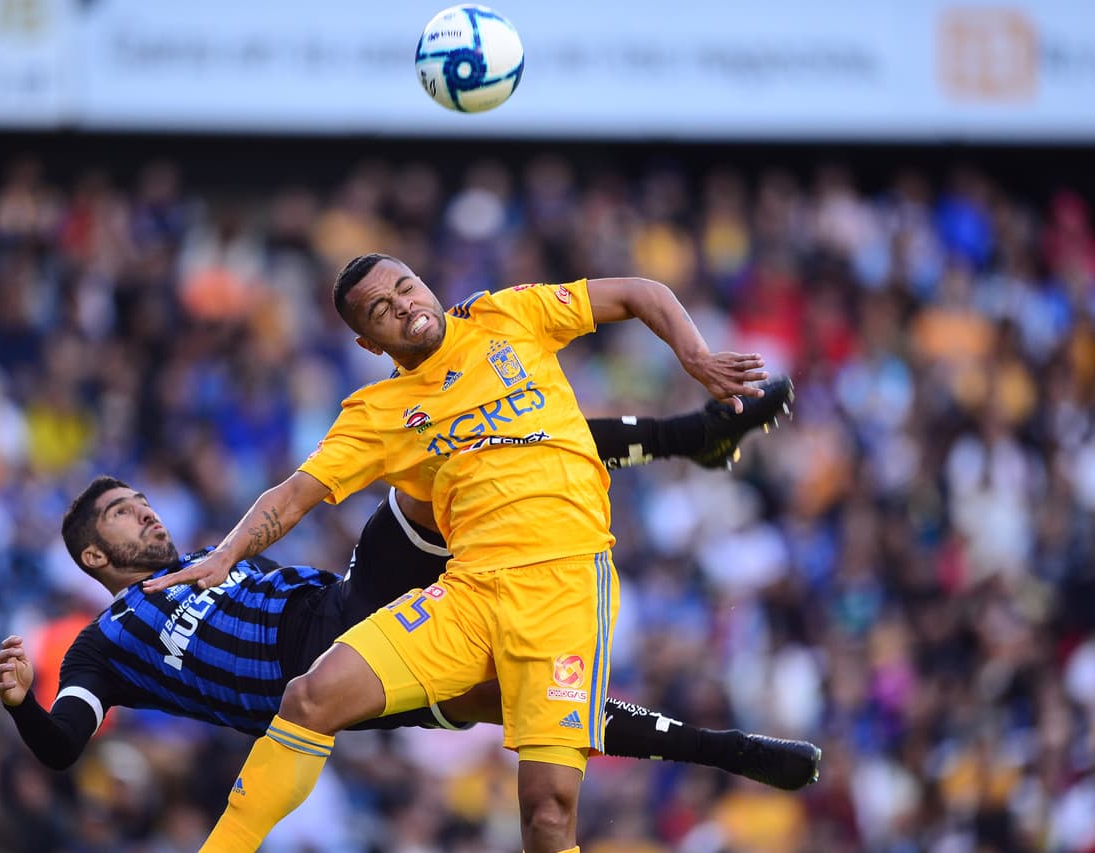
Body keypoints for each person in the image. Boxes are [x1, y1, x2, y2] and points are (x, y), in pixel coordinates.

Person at [146, 256, 773, 852]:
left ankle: (693, 440)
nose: (404, 307)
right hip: (469, 591)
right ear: (368, 344)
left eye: (406, 288)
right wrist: (226, 555)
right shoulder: (377, 415)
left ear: (426, 283)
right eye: (380, 310)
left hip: (564, 588)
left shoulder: (506, 315)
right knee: (312, 696)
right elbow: (294, 494)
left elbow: (641, 292)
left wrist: (695, 356)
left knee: (547, 812)